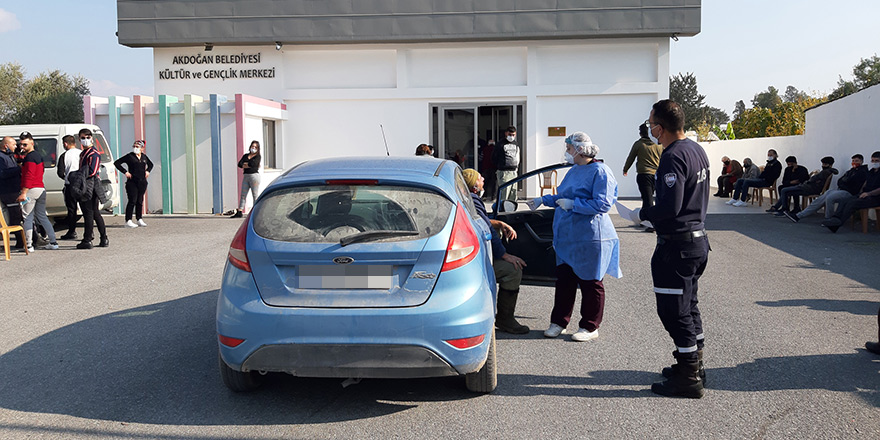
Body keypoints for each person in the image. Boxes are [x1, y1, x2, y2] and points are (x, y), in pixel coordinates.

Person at [637, 100, 710, 398]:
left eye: (651, 122)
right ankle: (693, 364)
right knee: (688, 306)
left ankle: (689, 375)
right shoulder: (696, 149)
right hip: (696, 242)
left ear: (660, 127)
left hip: (677, 245)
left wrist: (641, 215)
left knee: (673, 311)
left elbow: (670, 206)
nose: (649, 127)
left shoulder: (672, 156)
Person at [527, 132, 621, 343]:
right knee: (564, 281)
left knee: (591, 282)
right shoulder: (574, 171)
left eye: (569, 149)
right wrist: (544, 199)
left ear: (579, 149)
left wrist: (575, 205)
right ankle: (559, 322)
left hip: (590, 236)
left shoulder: (601, 172)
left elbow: (603, 204)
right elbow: (563, 197)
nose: (567, 153)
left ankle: (589, 325)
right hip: (568, 236)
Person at [462, 168, 529, 334]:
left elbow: (478, 220)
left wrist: (498, 223)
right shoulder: (474, 200)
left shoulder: (463, 198)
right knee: (513, 270)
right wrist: (504, 255)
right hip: (471, 263)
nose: (483, 178)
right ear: (474, 186)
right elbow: (485, 230)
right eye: (479, 178)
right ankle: (505, 319)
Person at [785, 154, 868, 222]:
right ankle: (798, 216)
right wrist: (844, 182)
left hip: (850, 192)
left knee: (830, 198)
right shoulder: (851, 171)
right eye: (853, 161)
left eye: (856, 161)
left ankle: (829, 219)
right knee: (824, 195)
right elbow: (840, 181)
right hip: (842, 190)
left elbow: (852, 183)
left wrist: (844, 182)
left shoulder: (862, 172)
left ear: (861, 161)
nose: (854, 162)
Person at [16, 132, 59, 252]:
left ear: (32, 143)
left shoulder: (29, 158)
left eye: (25, 144)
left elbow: (29, 176)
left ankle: (28, 245)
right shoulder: (38, 156)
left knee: (27, 218)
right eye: (21, 145)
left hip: (31, 190)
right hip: (40, 188)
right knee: (42, 216)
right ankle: (53, 242)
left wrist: (24, 192)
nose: (22, 147)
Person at [820, 151, 880, 233]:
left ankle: (838, 223)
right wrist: (860, 192)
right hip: (865, 194)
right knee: (846, 199)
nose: (874, 163)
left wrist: (869, 193)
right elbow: (865, 184)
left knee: (853, 203)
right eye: (872, 161)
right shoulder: (871, 172)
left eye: (876, 161)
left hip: (875, 197)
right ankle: (835, 219)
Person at [622, 122, 663, 232]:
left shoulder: (639, 144)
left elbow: (631, 157)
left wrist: (625, 169)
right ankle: (644, 219)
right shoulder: (658, 145)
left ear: (641, 133)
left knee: (647, 198)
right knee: (651, 198)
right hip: (656, 174)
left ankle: (652, 223)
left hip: (644, 174)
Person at [768, 156, 837, 215]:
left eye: (825, 164)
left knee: (785, 190)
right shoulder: (788, 169)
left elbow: (809, 179)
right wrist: (792, 176)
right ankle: (786, 208)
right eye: (823, 164)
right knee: (783, 189)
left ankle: (784, 209)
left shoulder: (825, 172)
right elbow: (785, 181)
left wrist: (798, 176)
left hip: (807, 188)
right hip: (804, 186)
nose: (823, 166)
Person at [76, 128, 109, 249]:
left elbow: (93, 171)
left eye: (88, 137)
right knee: (94, 213)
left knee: (89, 213)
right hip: (86, 183)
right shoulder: (83, 153)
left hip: (91, 185)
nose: (85, 139)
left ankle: (87, 239)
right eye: (83, 137)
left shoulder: (93, 154)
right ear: (79, 139)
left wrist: (80, 177)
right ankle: (103, 238)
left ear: (91, 138)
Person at [115, 140, 154, 228]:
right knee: (132, 200)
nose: (135, 148)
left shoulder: (144, 157)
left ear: (142, 148)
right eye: (134, 146)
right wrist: (125, 172)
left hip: (142, 182)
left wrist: (148, 171)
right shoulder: (130, 156)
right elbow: (117, 163)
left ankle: (139, 218)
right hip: (132, 182)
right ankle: (128, 220)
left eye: (137, 147)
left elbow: (151, 165)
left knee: (139, 201)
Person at [56, 135, 82, 240]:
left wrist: (66, 178)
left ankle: (72, 231)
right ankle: (90, 232)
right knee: (87, 209)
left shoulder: (64, 156)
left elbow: (60, 172)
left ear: (65, 144)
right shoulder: (81, 153)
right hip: (82, 184)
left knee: (72, 209)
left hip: (70, 185)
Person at [0, 136, 24, 249]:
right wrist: (19, 168)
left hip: (14, 189)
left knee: (17, 215)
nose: (16, 146)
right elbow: (3, 173)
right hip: (7, 191)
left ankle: (21, 240)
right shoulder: (1, 157)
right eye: (14, 144)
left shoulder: (10, 156)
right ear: (6, 146)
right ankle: (20, 240)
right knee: (14, 215)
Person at [232, 140, 261, 218]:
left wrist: (246, 164)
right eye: (252, 146)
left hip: (254, 176)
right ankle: (239, 211)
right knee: (243, 195)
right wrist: (246, 164)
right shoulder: (245, 156)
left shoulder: (257, 156)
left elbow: (254, 164)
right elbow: (240, 164)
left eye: (255, 147)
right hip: (246, 176)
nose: (253, 148)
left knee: (254, 195)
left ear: (258, 149)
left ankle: (255, 212)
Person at [493, 126, 520, 203]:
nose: (511, 136)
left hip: (514, 172)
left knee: (513, 193)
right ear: (506, 133)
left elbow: (518, 156)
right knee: (504, 194)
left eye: (513, 135)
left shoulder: (516, 144)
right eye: (509, 134)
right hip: (504, 172)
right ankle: (501, 209)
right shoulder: (500, 144)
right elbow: (494, 157)